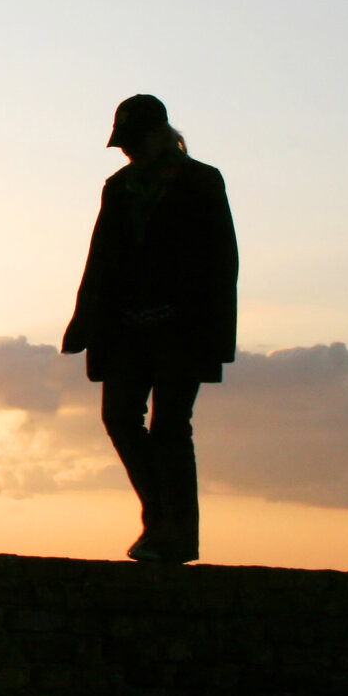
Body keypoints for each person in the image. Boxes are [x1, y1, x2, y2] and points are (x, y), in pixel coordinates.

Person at [61, 95, 238, 564]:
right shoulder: (118, 187)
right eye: (124, 143)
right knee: (120, 418)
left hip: (183, 329)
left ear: (160, 134)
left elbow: (222, 262)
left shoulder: (203, 181)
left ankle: (177, 535)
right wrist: (83, 321)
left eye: (134, 141)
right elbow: (101, 257)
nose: (127, 150)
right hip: (124, 329)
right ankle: (159, 519)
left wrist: (215, 332)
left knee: (171, 427)